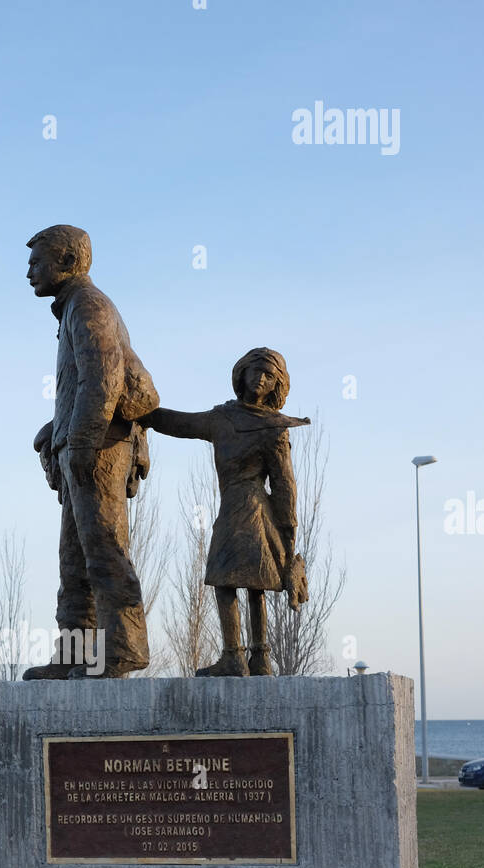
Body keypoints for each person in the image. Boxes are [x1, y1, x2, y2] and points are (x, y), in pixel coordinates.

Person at [24, 225, 159, 679]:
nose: (29, 273)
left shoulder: (88, 306)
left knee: (103, 548)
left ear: (66, 262)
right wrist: (58, 431)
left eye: (36, 263)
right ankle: (77, 654)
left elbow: (103, 380)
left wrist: (79, 441)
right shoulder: (72, 310)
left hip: (98, 447)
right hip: (82, 444)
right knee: (76, 559)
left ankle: (123, 648)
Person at [143, 348, 310, 676]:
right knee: (250, 582)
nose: (260, 379)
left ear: (277, 384)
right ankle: (258, 658)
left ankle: (238, 655)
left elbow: (285, 485)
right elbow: (183, 423)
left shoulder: (273, 427)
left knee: (229, 580)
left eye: (269, 376)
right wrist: (146, 414)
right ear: (242, 373)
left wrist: (288, 533)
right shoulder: (224, 419)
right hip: (241, 508)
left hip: (248, 510)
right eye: (256, 371)